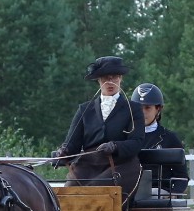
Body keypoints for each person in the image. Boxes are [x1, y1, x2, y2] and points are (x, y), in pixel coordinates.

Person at [51, 56, 144, 202]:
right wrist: (63, 152)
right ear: (98, 80)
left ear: (120, 78)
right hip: (88, 166)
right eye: (105, 78)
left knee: (93, 191)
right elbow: (72, 144)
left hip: (121, 166)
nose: (110, 82)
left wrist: (115, 146)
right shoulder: (84, 109)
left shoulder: (133, 109)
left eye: (114, 77)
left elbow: (137, 142)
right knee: (67, 196)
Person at [132, 82, 190, 194]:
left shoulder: (170, 138)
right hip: (130, 192)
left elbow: (181, 176)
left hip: (158, 193)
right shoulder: (126, 136)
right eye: (139, 108)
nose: (143, 113)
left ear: (158, 109)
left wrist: (173, 194)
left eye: (147, 108)